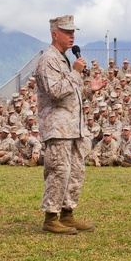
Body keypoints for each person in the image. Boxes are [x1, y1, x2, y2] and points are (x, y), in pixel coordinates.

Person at [35, 15, 106, 235]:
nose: (72, 35)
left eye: (73, 31)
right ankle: (51, 217)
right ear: (55, 34)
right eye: (67, 32)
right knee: (59, 171)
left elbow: (70, 93)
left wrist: (88, 90)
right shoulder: (49, 60)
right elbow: (55, 92)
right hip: (57, 127)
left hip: (73, 127)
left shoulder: (64, 59)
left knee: (75, 172)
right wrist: (76, 72)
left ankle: (67, 215)